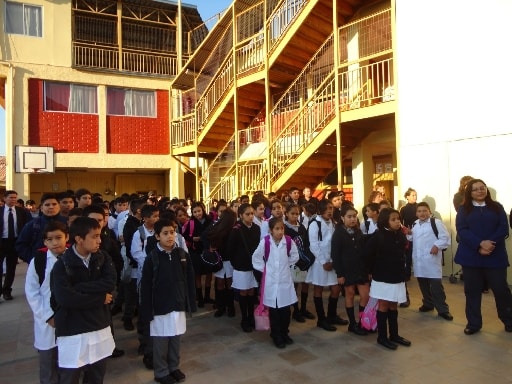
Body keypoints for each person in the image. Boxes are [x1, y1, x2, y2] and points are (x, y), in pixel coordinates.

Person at [50, 217, 117, 383]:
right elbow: (65, 298)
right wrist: (100, 298)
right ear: (79, 239)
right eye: (94, 236)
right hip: (73, 328)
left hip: (99, 324)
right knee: (70, 375)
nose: (99, 240)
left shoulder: (103, 258)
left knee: (96, 375)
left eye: (99, 235)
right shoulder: (62, 264)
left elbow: (109, 282)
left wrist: (79, 287)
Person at [139, 218, 196, 384]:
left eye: (172, 232)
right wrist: (146, 310)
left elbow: (189, 280)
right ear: (157, 236)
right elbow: (146, 286)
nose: (170, 236)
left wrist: (190, 303)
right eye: (165, 233)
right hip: (159, 307)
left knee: (175, 338)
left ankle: (174, 367)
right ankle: (161, 371)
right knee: (161, 342)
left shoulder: (182, 255)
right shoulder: (153, 258)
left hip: (177, 304)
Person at [454, 178, 512, 335]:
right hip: (472, 256)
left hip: (495, 255)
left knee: (501, 290)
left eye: (483, 188)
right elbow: (462, 229)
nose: (480, 191)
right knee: (472, 291)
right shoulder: (463, 209)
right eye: (476, 189)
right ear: (469, 192)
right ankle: (473, 323)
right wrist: (479, 244)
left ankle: (509, 320)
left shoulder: (497, 207)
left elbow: (503, 228)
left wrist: (489, 244)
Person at [25, 221, 68, 384]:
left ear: (67, 237)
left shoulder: (74, 257)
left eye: (59, 237)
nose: (55, 242)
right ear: (44, 241)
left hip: (71, 316)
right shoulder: (39, 261)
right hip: (47, 318)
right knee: (48, 363)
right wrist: (47, 316)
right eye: (50, 239)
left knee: (70, 363)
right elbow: (32, 292)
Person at [365, 208, 411, 350]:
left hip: (397, 275)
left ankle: (394, 335)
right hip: (383, 277)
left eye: (398, 219)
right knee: (384, 305)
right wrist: (370, 271)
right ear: (385, 221)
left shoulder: (399, 235)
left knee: (393, 305)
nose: (397, 222)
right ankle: (382, 337)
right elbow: (368, 256)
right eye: (393, 219)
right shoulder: (378, 236)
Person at [252, 217, 299, 348]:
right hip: (271, 281)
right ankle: (276, 335)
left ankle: (285, 332)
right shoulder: (265, 242)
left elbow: (295, 256)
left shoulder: (288, 241)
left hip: (285, 281)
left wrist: (285, 265)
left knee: (285, 310)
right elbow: (256, 258)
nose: (280, 232)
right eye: (277, 229)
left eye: (282, 228)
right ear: (271, 230)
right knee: (274, 311)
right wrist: (266, 269)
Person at [306, 199, 349, 332]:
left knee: (335, 289)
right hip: (320, 263)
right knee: (318, 289)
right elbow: (313, 245)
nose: (331, 211)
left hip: (333, 261)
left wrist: (333, 260)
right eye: (328, 208)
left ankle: (331, 315)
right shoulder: (315, 224)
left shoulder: (334, 223)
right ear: (322, 209)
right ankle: (321, 319)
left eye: (332, 208)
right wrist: (324, 261)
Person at [408, 202, 453, 321]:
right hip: (419, 260)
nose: (422, 213)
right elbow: (412, 238)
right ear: (416, 213)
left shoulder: (436, 223)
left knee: (436, 286)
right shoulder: (415, 224)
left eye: (424, 211)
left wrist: (437, 246)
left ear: (429, 212)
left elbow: (445, 237)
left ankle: (443, 309)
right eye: (419, 211)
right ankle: (428, 303)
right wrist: (408, 234)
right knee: (422, 283)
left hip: (431, 259)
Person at [331, 205, 370, 336]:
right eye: (349, 216)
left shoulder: (358, 231)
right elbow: (335, 255)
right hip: (347, 270)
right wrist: (340, 274)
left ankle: (362, 321)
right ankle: (352, 323)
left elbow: (364, 251)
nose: (353, 219)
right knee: (350, 294)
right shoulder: (338, 233)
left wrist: (368, 269)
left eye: (354, 216)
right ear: (342, 218)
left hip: (361, 269)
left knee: (365, 295)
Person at [228, 203, 260, 332]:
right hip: (241, 266)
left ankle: (251, 316)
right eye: (247, 214)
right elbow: (230, 249)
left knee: (251, 291)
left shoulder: (256, 228)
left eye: (252, 213)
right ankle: (244, 318)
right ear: (240, 215)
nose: (251, 216)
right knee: (243, 291)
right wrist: (236, 264)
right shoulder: (236, 229)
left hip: (254, 265)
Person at [202, 209, 238, 318]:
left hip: (229, 260)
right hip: (220, 260)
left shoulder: (234, 229)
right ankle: (221, 306)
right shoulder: (216, 227)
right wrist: (210, 247)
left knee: (228, 283)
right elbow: (204, 236)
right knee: (221, 283)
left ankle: (230, 306)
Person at [284, 203, 315, 322]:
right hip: (292, 261)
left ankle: (303, 308)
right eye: (292, 213)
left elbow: (307, 243)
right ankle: (296, 310)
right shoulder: (285, 228)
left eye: (297, 214)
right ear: (286, 214)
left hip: (304, 261)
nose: (295, 216)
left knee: (305, 284)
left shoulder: (301, 227)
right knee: (294, 285)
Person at [16, 193, 67, 265]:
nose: (51, 207)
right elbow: (21, 245)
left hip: (65, 263)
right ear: (41, 208)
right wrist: (32, 259)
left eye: (54, 204)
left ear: (59, 207)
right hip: (40, 264)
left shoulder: (68, 223)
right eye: (47, 205)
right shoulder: (32, 225)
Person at [0, 190, 32, 300]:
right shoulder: (0, 211)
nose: (13, 200)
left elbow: (27, 226)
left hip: (15, 242)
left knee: (11, 268)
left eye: (15, 198)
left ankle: (7, 291)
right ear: (4, 199)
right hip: (2, 242)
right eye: (10, 197)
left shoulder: (22, 212)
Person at [182, 201, 213, 308]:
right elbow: (184, 236)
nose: (197, 214)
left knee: (209, 274)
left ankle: (207, 296)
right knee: (197, 275)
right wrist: (192, 238)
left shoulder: (210, 220)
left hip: (208, 251)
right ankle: (200, 298)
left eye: (199, 211)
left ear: (203, 209)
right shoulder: (190, 222)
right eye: (194, 212)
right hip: (195, 252)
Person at [399, 187, 418, 308]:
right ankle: (407, 274)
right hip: (408, 233)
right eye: (412, 195)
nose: (414, 197)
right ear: (407, 197)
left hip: (417, 233)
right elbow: (401, 222)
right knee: (408, 255)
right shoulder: (404, 209)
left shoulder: (419, 207)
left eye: (416, 195)